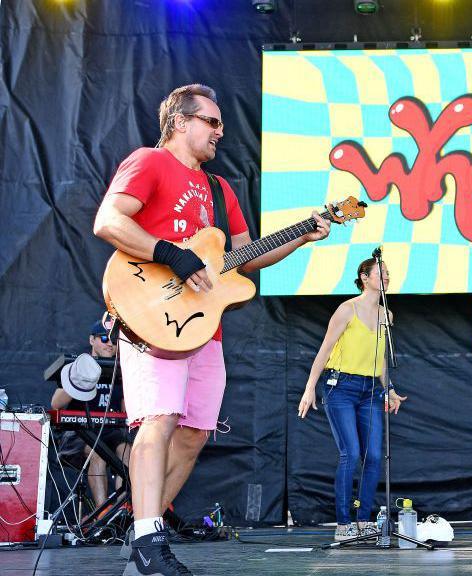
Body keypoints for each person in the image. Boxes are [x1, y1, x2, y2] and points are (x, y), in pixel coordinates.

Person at [93, 84, 331, 576]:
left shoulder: (220, 190)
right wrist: (171, 253)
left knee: (196, 432)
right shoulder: (149, 162)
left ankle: (146, 527)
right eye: (212, 122)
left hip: (203, 329)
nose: (221, 131)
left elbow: (245, 258)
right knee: (157, 420)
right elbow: (109, 220)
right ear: (180, 122)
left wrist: (302, 235)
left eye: (221, 123)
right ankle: (148, 540)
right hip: (152, 317)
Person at [297, 256, 407, 540]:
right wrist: (310, 388)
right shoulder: (347, 309)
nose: (386, 277)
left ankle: (363, 520)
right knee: (351, 453)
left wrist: (390, 388)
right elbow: (325, 349)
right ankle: (343, 523)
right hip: (341, 387)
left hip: (371, 389)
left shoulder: (387, 316)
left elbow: (380, 359)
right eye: (381, 273)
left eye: (388, 273)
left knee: (373, 456)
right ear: (365, 277)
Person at [51, 318, 133, 510]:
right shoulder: (77, 365)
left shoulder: (121, 371)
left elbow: (125, 413)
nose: (110, 343)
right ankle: (102, 510)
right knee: (98, 452)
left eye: (114, 339)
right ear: (91, 340)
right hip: (78, 433)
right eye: (104, 338)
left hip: (108, 431)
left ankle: (121, 508)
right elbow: (55, 405)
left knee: (128, 451)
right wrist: (78, 379)